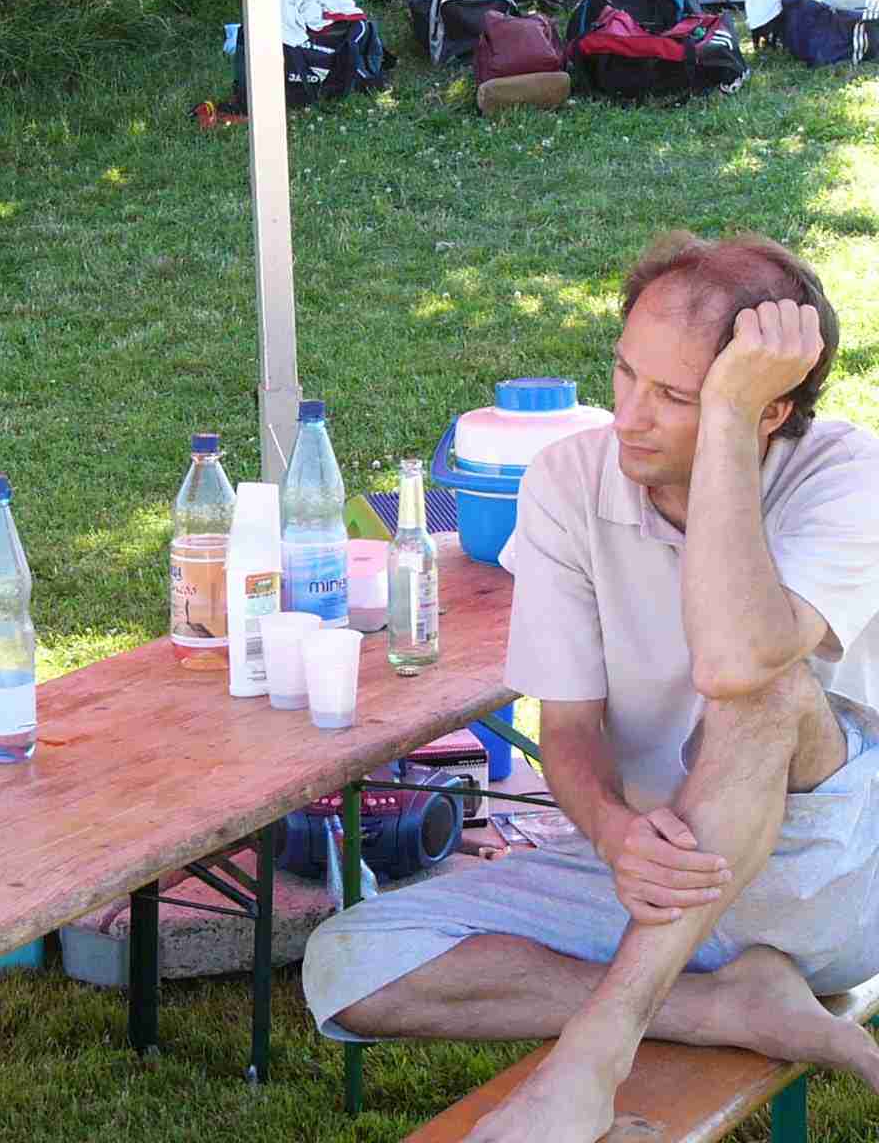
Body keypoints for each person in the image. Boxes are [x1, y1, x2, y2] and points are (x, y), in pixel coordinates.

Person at [301, 232, 879, 1140]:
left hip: (827, 879)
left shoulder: (847, 474)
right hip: (661, 877)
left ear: (769, 408)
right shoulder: (569, 480)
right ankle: (722, 1006)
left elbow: (735, 662)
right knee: (349, 962)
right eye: (625, 374)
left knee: (764, 689)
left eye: (677, 397)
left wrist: (729, 428)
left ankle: (595, 1052)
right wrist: (615, 834)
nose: (630, 418)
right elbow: (566, 727)